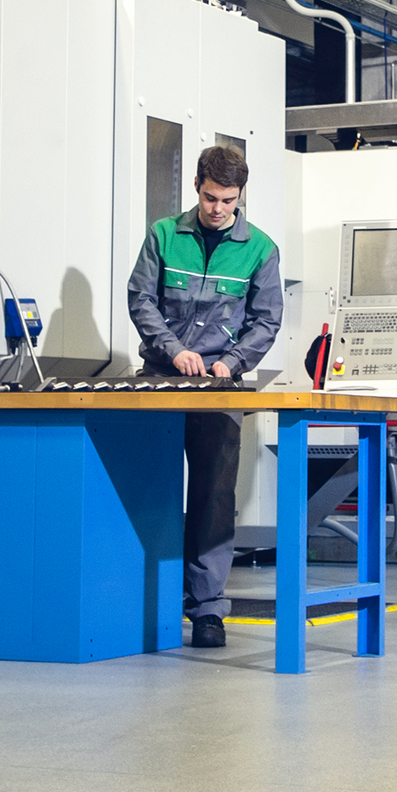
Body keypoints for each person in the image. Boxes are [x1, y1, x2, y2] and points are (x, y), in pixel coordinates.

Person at [127, 144, 282, 650]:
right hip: (161, 382)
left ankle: (208, 609)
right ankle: (150, 597)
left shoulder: (261, 248)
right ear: (197, 186)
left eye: (229, 200)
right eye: (212, 197)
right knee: (155, 488)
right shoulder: (164, 235)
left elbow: (266, 321)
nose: (219, 209)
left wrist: (231, 363)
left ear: (240, 196)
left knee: (214, 496)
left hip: (220, 386)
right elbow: (141, 298)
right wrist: (173, 351)